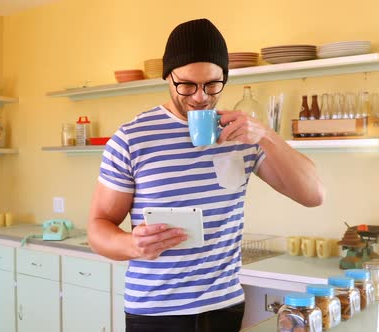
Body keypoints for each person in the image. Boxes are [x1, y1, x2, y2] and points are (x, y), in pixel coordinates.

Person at [88, 18, 325, 332]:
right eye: (186, 85)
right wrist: (132, 245)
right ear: (167, 78)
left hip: (224, 307)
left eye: (212, 84)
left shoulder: (242, 136)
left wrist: (265, 134)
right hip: (155, 313)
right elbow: (97, 227)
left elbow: (314, 194)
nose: (200, 97)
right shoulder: (132, 138)